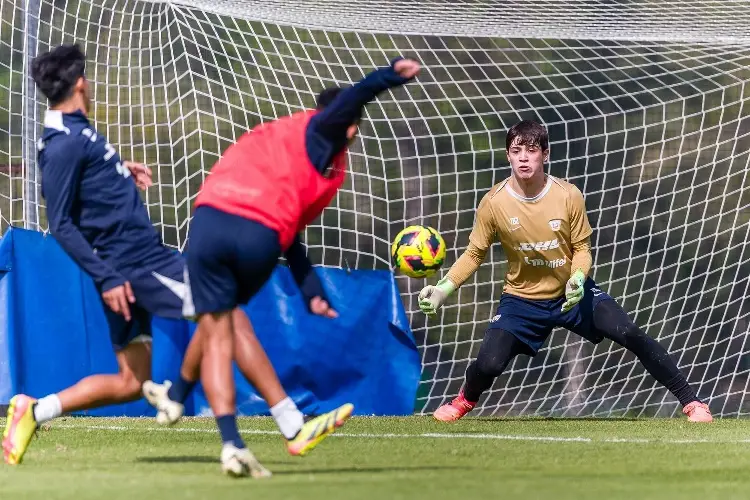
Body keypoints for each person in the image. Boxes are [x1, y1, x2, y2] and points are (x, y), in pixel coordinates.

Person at [1, 44, 347, 477]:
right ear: (79, 83)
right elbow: (62, 223)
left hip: (133, 263)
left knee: (130, 381)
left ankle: (34, 409)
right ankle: (291, 425)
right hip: (136, 265)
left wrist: (118, 172)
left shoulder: (78, 131)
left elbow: (86, 185)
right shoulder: (62, 143)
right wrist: (107, 278)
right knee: (228, 316)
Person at [142, 55, 422, 474]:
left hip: (208, 222)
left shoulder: (287, 141)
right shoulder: (322, 131)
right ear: (348, 123)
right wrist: (388, 76)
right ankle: (266, 431)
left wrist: (311, 291)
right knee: (226, 325)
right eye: (353, 121)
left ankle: (195, 405)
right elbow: (354, 99)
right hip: (253, 234)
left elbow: (291, 236)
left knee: (223, 324)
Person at [419, 119, 712, 423]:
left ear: (544, 154)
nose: (523, 157)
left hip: (572, 293)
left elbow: (583, 250)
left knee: (629, 332)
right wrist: (442, 290)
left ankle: (693, 403)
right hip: (521, 301)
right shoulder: (493, 203)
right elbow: (474, 254)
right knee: (490, 364)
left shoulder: (568, 195)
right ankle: (464, 400)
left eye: (531, 150)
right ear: (507, 155)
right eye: (516, 150)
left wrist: (577, 278)